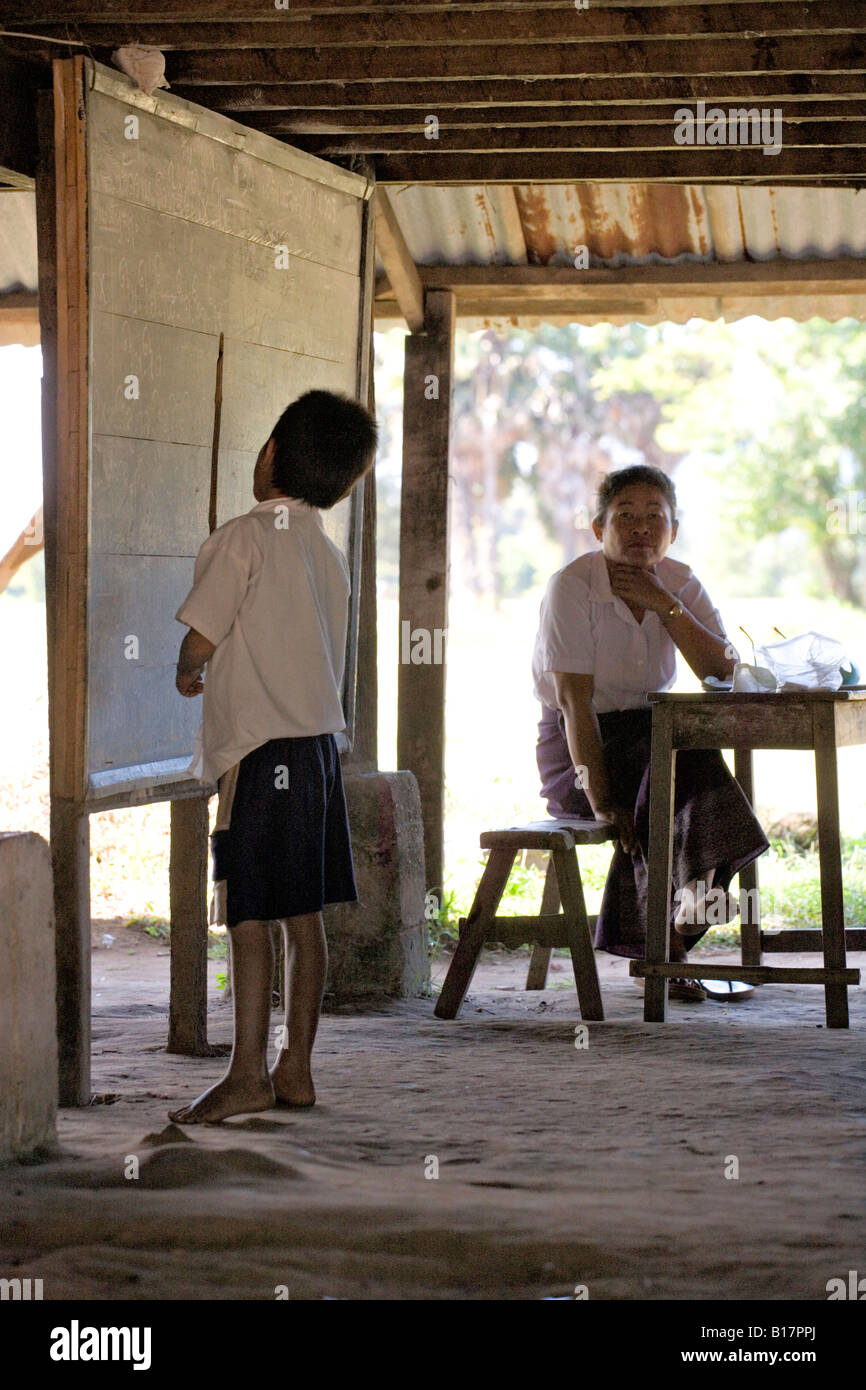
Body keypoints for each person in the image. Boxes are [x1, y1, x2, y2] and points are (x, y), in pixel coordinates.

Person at [168, 389, 377, 1122]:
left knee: (249, 917)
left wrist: (188, 667)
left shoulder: (243, 537)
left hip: (260, 756)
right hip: (318, 751)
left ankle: (246, 1073)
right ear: (342, 484)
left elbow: (202, 634)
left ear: (269, 457)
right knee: (302, 917)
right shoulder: (326, 552)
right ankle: (296, 1068)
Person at [532, 464, 769, 1002]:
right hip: (577, 747)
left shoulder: (682, 582)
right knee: (668, 772)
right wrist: (600, 798)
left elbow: (722, 677)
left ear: (673, 531)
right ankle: (671, 941)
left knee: (681, 755)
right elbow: (573, 702)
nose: (641, 528)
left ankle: (679, 926)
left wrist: (666, 604)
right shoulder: (572, 587)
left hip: (658, 744)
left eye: (654, 517)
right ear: (599, 530)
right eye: (626, 517)